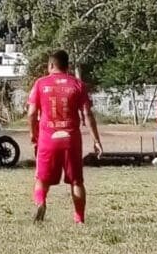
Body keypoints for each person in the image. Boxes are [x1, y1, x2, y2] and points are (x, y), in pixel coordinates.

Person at [28, 49, 103, 225]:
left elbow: (31, 113)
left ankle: (41, 202)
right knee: (76, 181)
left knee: (41, 179)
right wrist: (96, 140)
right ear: (67, 66)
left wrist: (33, 135)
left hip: (48, 138)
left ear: (51, 65)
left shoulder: (40, 83)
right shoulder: (77, 85)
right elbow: (87, 114)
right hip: (71, 139)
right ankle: (79, 218)